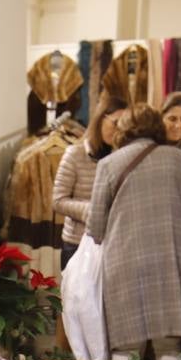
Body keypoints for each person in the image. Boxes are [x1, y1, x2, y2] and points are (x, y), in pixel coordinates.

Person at [86, 104, 181, 360]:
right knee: (170, 352)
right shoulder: (180, 160)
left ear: (123, 130)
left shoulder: (108, 164)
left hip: (124, 264)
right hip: (171, 262)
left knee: (126, 354)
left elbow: (95, 226)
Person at [52, 95, 125, 267]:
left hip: (114, 243)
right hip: (78, 243)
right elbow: (57, 200)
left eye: (125, 125)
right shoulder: (75, 154)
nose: (119, 130)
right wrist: (93, 210)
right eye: (115, 123)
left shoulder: (124, 156)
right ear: (101, 120)